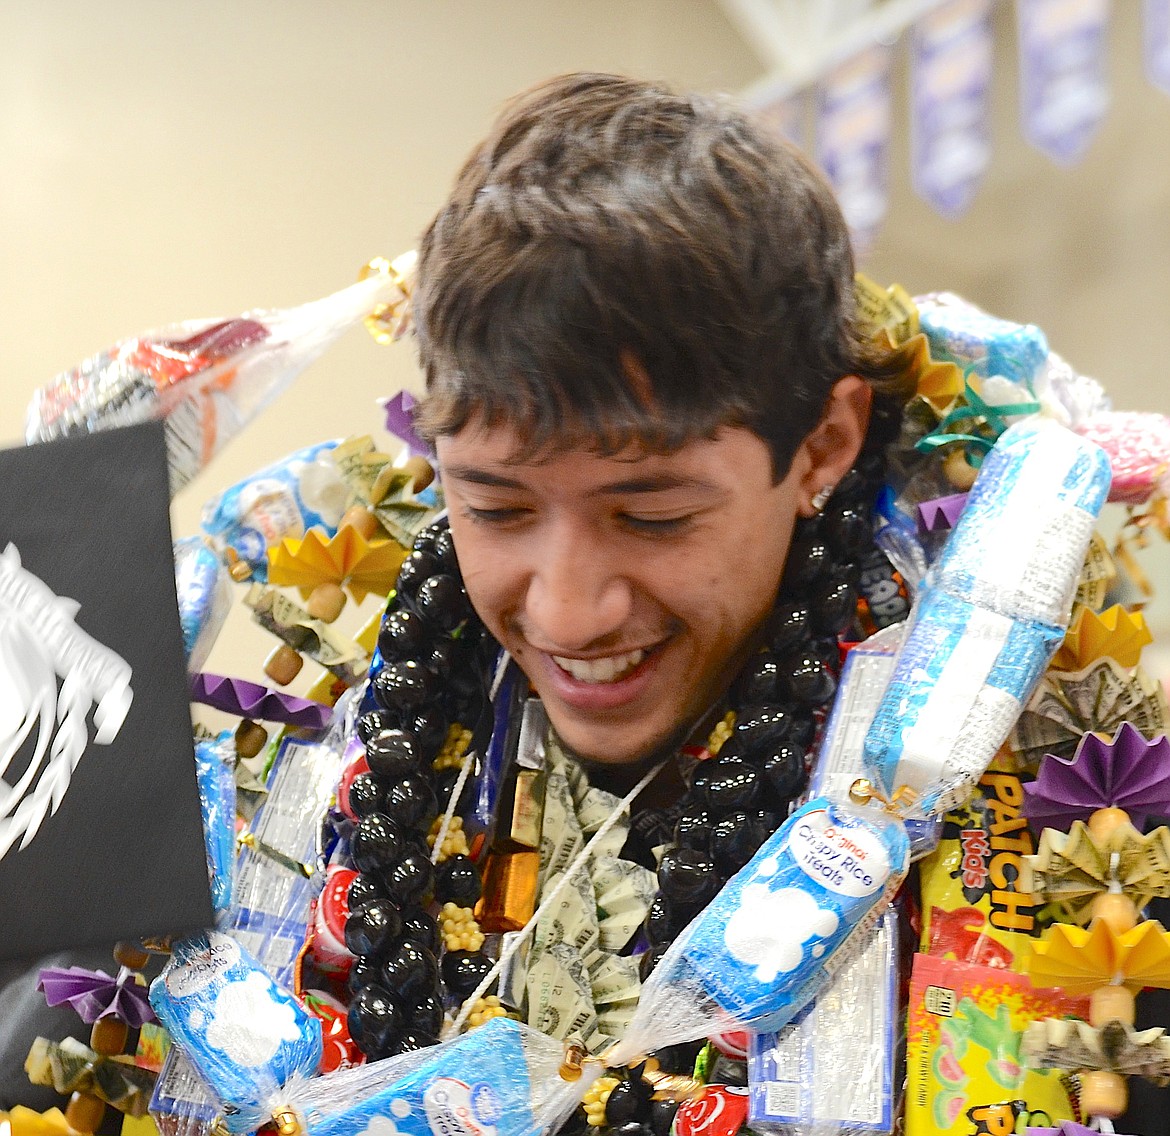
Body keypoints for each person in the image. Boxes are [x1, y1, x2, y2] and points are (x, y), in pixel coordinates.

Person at [411, 71, 907, 781]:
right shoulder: (333, 768)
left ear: (821, 447)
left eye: (653, 517)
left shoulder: (1023, 784)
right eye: (495, 510)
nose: (568, 616)